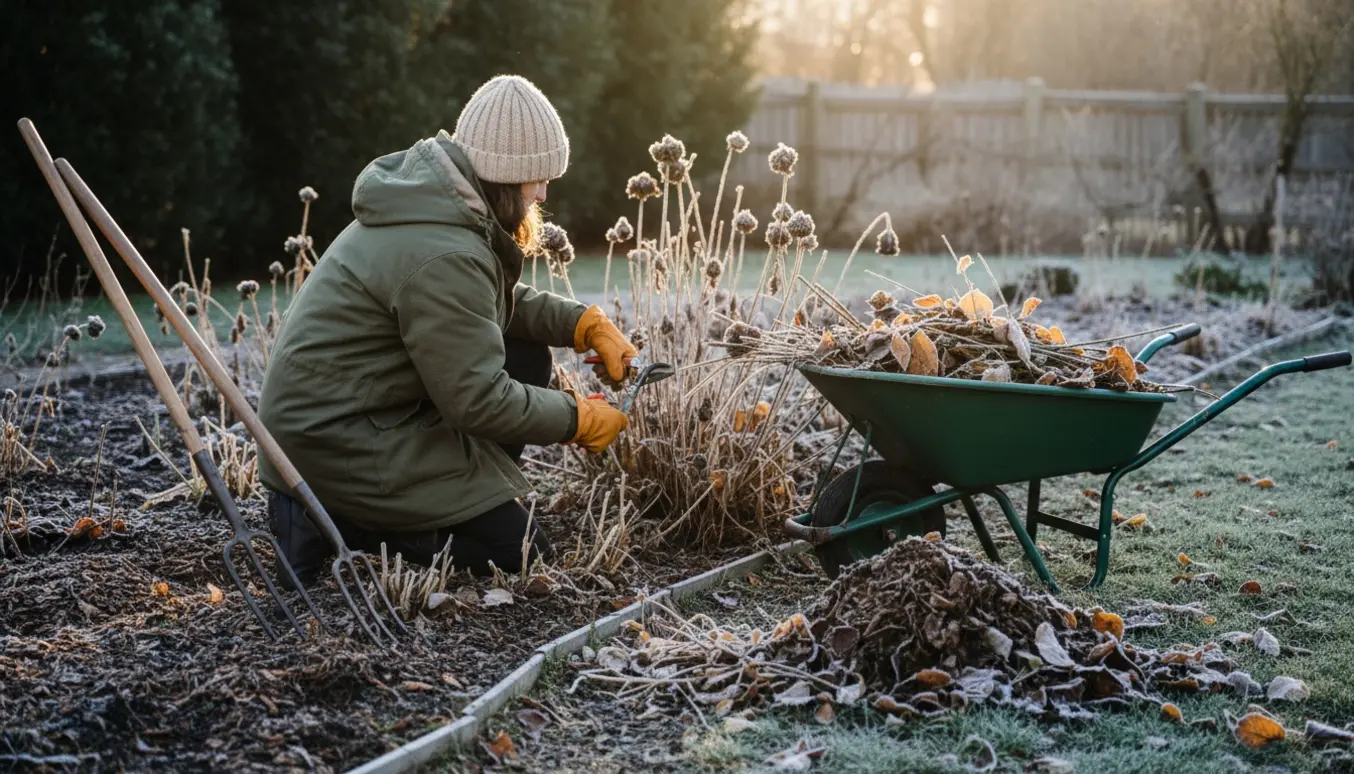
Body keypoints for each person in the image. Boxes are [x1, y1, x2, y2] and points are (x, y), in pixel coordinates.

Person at [257, 74, 635, 585]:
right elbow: (477, 399)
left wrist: (582, 324)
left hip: (358, 414)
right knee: (519, 552)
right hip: (332, 442)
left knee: (525, 353)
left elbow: (480, 306)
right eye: (535, 177)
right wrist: (577, 419)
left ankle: (461, 493)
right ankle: (332, 519)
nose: (543, 191)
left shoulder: (436, 207)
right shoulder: (445, 251)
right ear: (503, 175)